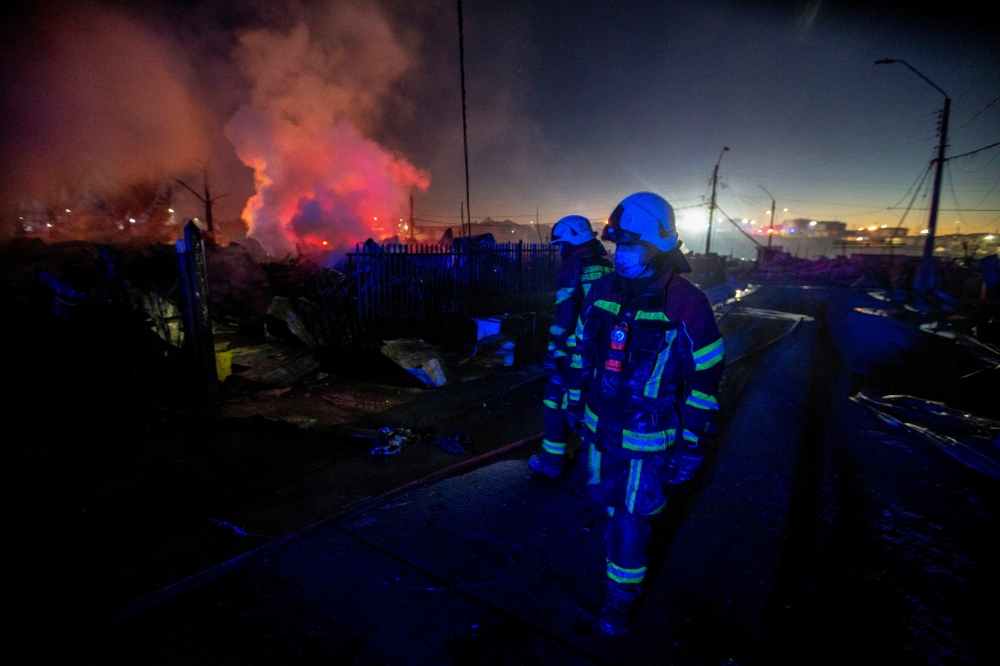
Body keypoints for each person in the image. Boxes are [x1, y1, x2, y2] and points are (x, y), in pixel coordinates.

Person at [565, 192, 725, 636]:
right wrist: (575, 402)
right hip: (598, 434)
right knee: (603, 504)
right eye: (616, 245)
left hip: (646, 445)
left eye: (630, 246)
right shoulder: (601, 291)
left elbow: (705, 380)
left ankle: (620, 601)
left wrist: (692, 445)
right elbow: (582, 351)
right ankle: (615, 545)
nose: (619, 255)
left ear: (657, 247)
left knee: (632, 524)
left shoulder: (687, 304)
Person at [529, 215, 614, 478]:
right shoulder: (603, 263)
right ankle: (592, 462)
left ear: (572, 239)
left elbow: (565, 314)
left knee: (555, 399)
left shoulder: (572, 264)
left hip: (574, 351)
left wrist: (554, 352)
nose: (559, 250)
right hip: (602, 350)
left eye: (560, 244)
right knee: (592, 402)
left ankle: (551, 463)